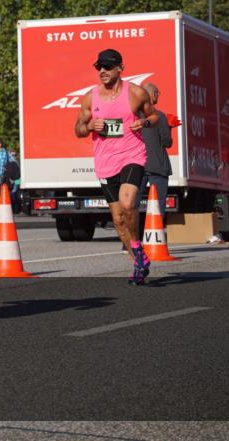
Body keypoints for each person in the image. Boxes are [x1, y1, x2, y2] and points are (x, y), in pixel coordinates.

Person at [74, 49, 159, 285]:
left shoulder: (135, 93)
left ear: (120, 68)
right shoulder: (91, 98)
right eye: (99, 67)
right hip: (105, 162)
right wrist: (90, 125)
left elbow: (154, 117)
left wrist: (143, 122)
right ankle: (138, 259)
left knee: (127, 202)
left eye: (108, 67)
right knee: (118, 219)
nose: (102, 71)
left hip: (132, 155)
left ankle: (135, 249)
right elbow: (78, 129)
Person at [134, 82, 173, 237]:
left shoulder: (134, 116)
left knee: (134, 204)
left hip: (138, 164)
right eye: (157, 93)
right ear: (151, 95)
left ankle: (130, 242)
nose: (158, 96)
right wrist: (169, 128)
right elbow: (166, 142)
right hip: (157, 165)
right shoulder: (159, 116)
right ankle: (155, 237)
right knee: (158, 203)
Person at [5, 149, 21, 214]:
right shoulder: (15, 161)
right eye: (12, 154)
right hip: (13, 180)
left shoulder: (17, 161)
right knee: (13, 194)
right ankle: (15, 209)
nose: (13, 156)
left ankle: (15, 209)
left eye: (14, 155)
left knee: (14, 193)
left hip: (16, 180)